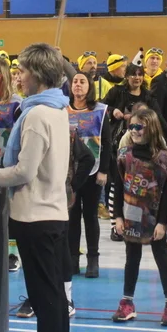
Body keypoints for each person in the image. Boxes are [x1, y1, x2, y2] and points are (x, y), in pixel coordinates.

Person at [0, 43, 71, 332]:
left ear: (38, 74)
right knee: (53, 293)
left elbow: (23, 171)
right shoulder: (58, 109)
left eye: (22, 70)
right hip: (54, 212)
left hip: (37, 216)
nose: (17, 77)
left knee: (44, 295)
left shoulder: (36, 115)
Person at [111, 106, 167, 326]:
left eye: (139, 126)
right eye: (131, 126)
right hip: (131, 216)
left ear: (151, 128)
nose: (134, 130)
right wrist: (117, 216)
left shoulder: (165, 159)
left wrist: (162, 222)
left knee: (162, 257)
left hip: (154, 218)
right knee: (132, 257)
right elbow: (118, 187)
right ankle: (127, 302)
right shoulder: (124, 155)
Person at [67, 70, 113, 278]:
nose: (78, 84)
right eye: (75, 81)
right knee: (72, 217)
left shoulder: (100, 111)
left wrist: (103, 170)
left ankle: (93, 259)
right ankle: (72, 259)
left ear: (90, 86)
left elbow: (107, 143)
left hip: (93, 171)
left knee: (90, 216)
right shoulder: (63, 109)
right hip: (70, 173)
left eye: (82, 82)